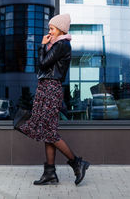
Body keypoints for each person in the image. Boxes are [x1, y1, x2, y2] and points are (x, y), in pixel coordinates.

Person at [18, 13, 90, 186]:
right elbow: (44, 66)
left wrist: (42, 47)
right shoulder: (55, 45)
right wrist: (45, 47)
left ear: (60, 29)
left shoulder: (62, 45)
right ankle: (50, 173)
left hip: (51, 88)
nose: (49, 31)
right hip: (46, 87)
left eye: (52, 28)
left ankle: (77, 162)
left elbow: (43, 64)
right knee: (46, 130)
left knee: (49, 131)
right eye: (49, 28)